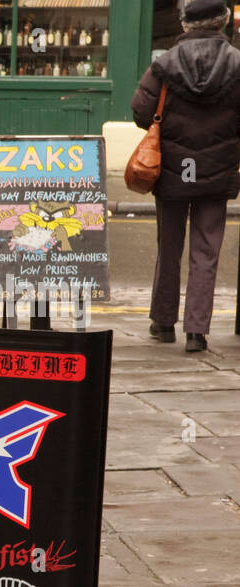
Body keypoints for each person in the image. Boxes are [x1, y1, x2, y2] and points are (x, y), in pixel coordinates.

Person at [132, 0, 240, 352]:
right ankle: (197, 331)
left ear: (187, 25)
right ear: (222, 24)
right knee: (206, 250)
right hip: (218, 168)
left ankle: (163, 322)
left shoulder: (163, 64)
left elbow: (140, 111)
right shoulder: (237, 64)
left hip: (172, 167)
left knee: (169, 246)